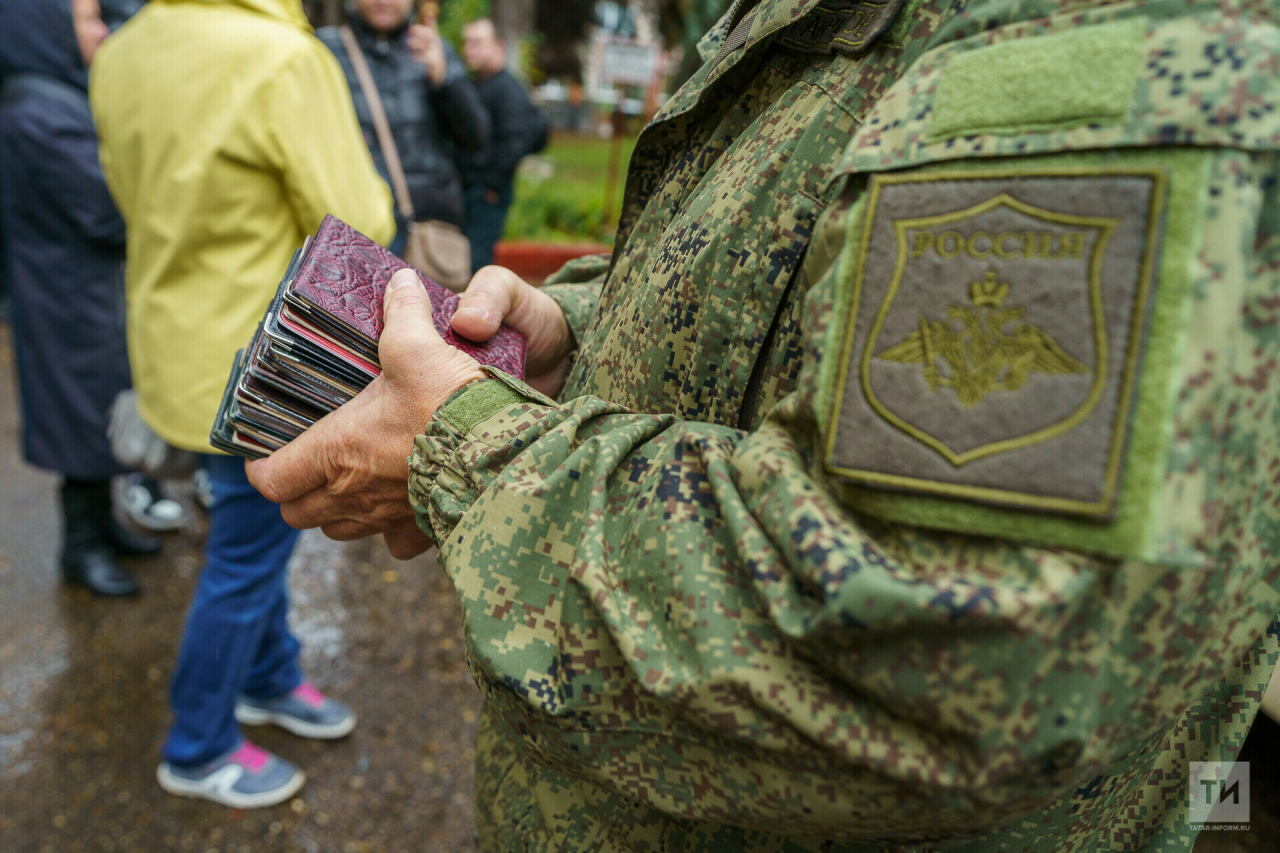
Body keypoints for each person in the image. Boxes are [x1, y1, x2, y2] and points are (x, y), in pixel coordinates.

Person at [248, 0, 1279, 848]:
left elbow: (942, 654)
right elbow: (796, 264)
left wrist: (464, 448)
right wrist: (574, 324)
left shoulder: (1074, 32)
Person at [90, 0, 396, 807]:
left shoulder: (123, 51)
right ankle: (197, 744)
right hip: (262, 365)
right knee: (247, 552)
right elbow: (357, 223)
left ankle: (268, 676)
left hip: (169, 344)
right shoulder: (280, 56)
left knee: (249, 533)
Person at [0, 0, 168, 598]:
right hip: (67, 297)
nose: (102, 30)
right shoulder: (40, 110)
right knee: (80, 418)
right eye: (88, 20)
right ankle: (82, 547)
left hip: (74, 289)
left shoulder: (50, 97)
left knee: (91, 411)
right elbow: (105, 211)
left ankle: (103, 527)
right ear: (48, 31)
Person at [317, 0, 489, 257]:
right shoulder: (326, 50)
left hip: (424, 224)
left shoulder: (434, 50)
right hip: (352, 225)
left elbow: (477, 140)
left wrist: (445, 80)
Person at [458, 17, 548, 271]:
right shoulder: (481, 83)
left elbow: (517, 141)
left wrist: (493, 186)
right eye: (466, 43)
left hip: (487, 193)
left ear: (498, 46)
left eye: (477, 42)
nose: (469, 49)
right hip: (473, 189)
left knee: (476, 264)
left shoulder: (508, 89)